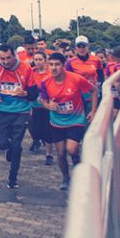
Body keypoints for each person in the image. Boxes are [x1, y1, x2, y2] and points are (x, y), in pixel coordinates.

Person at [40, 52, 97, 190]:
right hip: (57, 122)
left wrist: (93, 111)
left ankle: (77, 161)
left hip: (76, 119)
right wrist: (49, 106)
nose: (54, 68)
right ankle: (66, 177)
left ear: (63, 65)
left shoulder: (76, 79)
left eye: (57, 65)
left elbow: (94, 90)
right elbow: (43, 101)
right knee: (60, 153)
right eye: (51, 65)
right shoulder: (46, 82)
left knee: (71, 148)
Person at [0, 44, 39, 189]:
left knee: (17, 145)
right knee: (0, 143)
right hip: (3, 110)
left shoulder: (25, 68)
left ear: (14, 56)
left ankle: (12, 178)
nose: (5, 62)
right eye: (2, 58)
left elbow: (34, 93)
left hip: (21, 111)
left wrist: (26, 94)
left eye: (8, 58)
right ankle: (11, 148)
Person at [65, 35, 104, 115]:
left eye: (84, 46)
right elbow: (68, 78)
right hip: (78, 94)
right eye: (79, 46)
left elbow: (101, 74)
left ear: (88, 47)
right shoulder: (71, 62)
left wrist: (100, 85)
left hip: (92, 93)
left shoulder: (96, 60)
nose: (81, 49)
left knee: (92, 116)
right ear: (76, 48)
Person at [28, 51, 55, 165]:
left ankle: (49, 154)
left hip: (48, 105)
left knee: (47, 130)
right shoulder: (31, 72)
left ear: (45, 61)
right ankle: (36, 140)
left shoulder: (51, 72)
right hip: (35, 105)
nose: (38, 62)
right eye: (36, 60)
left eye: (40, 60)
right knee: (35, 128)